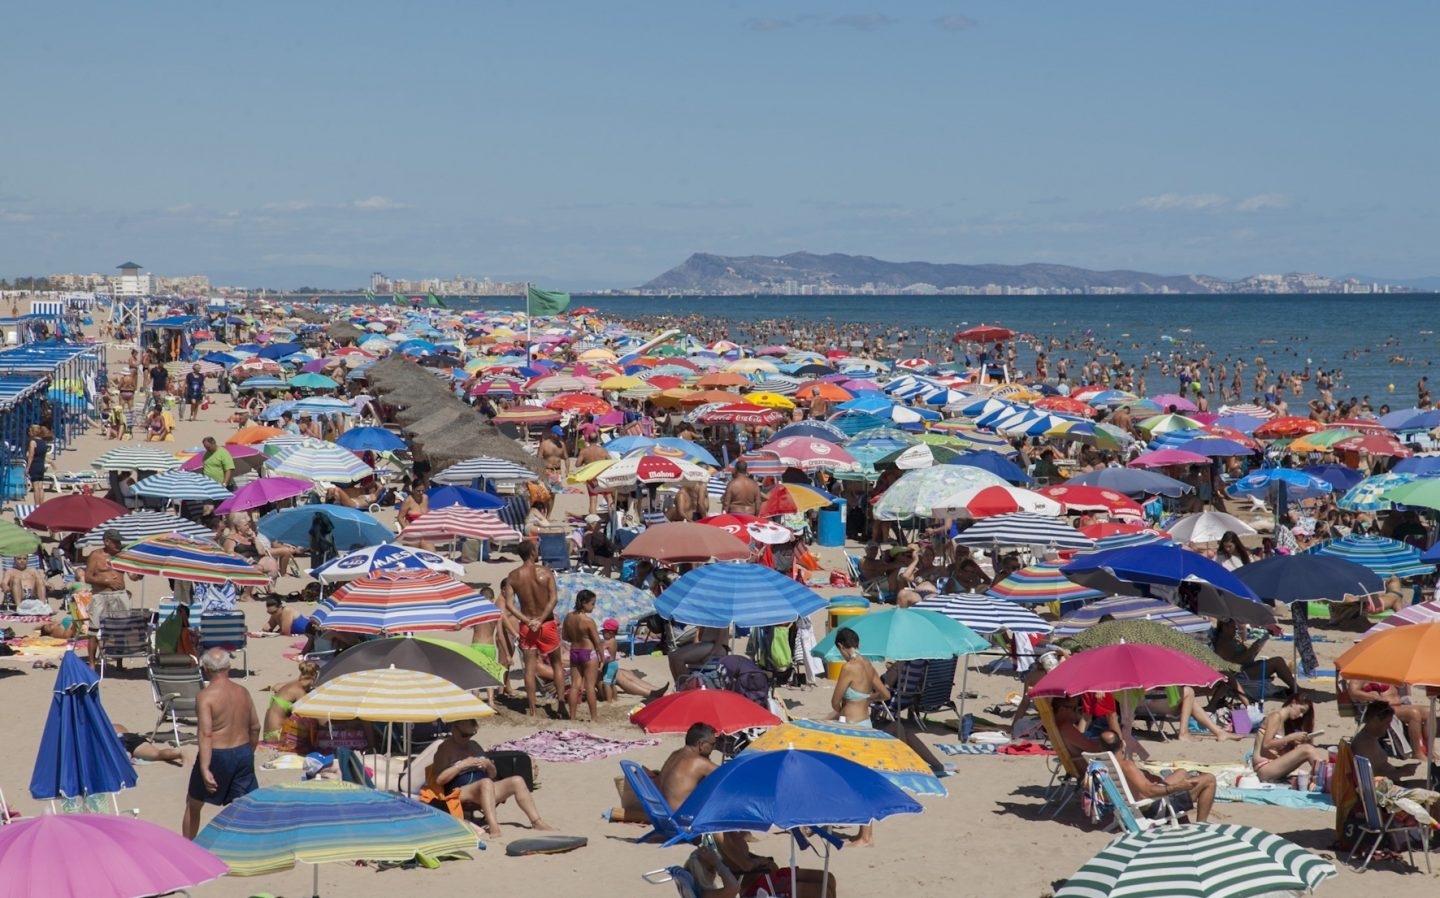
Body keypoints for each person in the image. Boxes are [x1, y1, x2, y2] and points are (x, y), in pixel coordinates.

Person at [429, 718, 553, 839]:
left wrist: (488, 765)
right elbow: (438, 779)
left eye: (471, 734)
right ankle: (494, 827)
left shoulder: (473, 745)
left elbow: (493, 774)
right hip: (459, 790)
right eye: (464, 735)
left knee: (517, 780)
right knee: (486, 783)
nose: (467, 738)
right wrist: (462, 765)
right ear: (453, 729)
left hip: (483, 787)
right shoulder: (445, 749)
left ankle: (537, 822)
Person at [182, 649, 260, 840]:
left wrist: (205, 767)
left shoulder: (205, 696)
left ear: (206, 669)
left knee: (194, 803)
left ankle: (188, 847)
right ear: (229, 667)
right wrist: (249, 752)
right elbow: (255, 727)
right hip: (243, 751)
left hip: (217, 754)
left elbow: (206, 733)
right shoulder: (243, 692)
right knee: (242, 804)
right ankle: (242, 846)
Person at [503, 542, 565, 717]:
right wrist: (541, 619)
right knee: (556, 664)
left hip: (527, 625)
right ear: (532, 552)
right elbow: (553, 599)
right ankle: (560, 704)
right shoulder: (545, 572)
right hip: (546, 623)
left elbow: (509, 604)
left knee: (529, 668)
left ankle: (532, 709)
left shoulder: (513, 576)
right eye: (536, 549)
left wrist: (527, 620)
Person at [1098, 730, 1215, 822]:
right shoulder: (1127, 766)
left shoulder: (1103, 764)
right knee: (1209, 779)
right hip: (1151, 808)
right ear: (1122, 744)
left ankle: (1182, 820)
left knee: (1181, 772)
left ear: (1102, 748)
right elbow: (1149, 792)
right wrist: (1178, 787)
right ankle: (1201, 823)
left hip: (1132, 805)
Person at [1250, 693, 1327, 785]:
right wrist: (1290, 737)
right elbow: (1266, 744)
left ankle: (1325, 774)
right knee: (1307, 749)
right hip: (1263, 768)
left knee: (1305, 749)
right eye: (1301, 710)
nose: (1301, 715)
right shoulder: (1276, 716)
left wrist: (1293, 744)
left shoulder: (1284, 723)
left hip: (1273, 766)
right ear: (1293, 703)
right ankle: (1327, 775)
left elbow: (1274, 750)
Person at [1346, 679, 1429, 761]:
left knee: (1428, 712)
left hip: (1400, 704)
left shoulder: (1385, 671)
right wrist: (1375, 697)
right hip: (1383, 708)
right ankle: (1417, 753)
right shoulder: (1361, 674)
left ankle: (1430, 749)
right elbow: (1353, 692)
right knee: (1414, 714)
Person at [1213, 618, 1299, 697]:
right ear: (1224, 627)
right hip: (1240, 674)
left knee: (1276, 661)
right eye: (1233, 627)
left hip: (1246, 668)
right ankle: (1297, 688)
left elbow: (1243, 656)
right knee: (1277, 661)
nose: (1236, 629)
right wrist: (1251, 650)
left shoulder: (1231, 640)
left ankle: (1295, 688)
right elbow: (1233, 663)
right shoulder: (1223, 643)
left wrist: (1255, 647)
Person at [84, 530, 132, 666]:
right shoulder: (96, 556)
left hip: (120, 595)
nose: (119, 544)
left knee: (121, 629)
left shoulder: (123, 555)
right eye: (116, 542)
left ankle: (119, 663)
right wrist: (107, 582)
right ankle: (92, 663)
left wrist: (140, 572)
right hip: (100, 595)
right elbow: (88, 577)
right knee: (94, 630)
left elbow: (132, 576)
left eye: (120, 542)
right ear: (107, 542)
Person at [597, 618, 668, 702]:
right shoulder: (611, 641)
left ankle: (656, 690)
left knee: (625, 673)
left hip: (605, 665)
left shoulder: (608, 641)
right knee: (619, 676)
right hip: (603, 668)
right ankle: (650, 693)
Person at [830, 627, 890, 727]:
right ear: (858, 644)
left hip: (851, 724)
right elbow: (886, 695)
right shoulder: (868, 665)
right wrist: (868, 698)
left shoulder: (848, 667)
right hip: (866, 722)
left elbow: (835, 702)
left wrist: (841, 712)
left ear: (841, 646)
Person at [1352, 701, 1425, 781]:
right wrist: (1402, 772)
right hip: (1384, 789)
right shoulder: (1365, 744)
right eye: (1387, 722)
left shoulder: (1370, 738)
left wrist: (1402, 769)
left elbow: (1379, 768)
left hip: (1389, 783)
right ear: (1375, 720)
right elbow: (1373, 777)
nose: (1389, 727)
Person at [561, 589, 602, 722]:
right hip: (588, 652)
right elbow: (597, 642)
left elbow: (565, 636)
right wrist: (602, 658)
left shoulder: (568, 617)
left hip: (575, 652)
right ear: (584, 603)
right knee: (590, 686)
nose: (593, 606)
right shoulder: (588, 621)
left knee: (574, 685)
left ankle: (572, 717)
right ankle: (594, 717)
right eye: (592, 603)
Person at [659, 722, 719, 810]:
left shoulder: (675, 754)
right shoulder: (699, 762)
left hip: (662, 812)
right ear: (701, 745)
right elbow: (727, 777)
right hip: (679, 816)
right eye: (712, 744)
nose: (714, 748)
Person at [261, 660, 318, 743]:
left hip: (268, 734)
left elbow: (276, 687)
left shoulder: (290, 686)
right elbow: (308, 714)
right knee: (312, 725)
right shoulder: (299, 692)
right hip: (277, 736)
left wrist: (300, 679)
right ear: (314, 677)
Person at [680, 843, 744, 898]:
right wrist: (717, 862)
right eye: (711, 869)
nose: (715, 873)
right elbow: (733, 888)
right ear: (699, 873)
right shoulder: (704, 895)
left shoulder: (696, 892)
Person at [114, 724, 184, 765]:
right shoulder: (113, 726)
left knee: (117, 753)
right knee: (158, 753)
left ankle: (124, 755)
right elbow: (121, 728)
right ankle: (178, 753)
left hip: (117, 740)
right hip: (133, 738)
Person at [25, 424, 50, 506]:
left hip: (35, 465)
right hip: (41, 465)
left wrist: (27, 468)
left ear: (32, 432)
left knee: (35, 487)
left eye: (29, 431)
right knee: (40, 487)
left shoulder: (33, 442)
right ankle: (41, 505)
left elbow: (31, 456)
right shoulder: (43, 442)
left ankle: (36, 505)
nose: (28, 433)